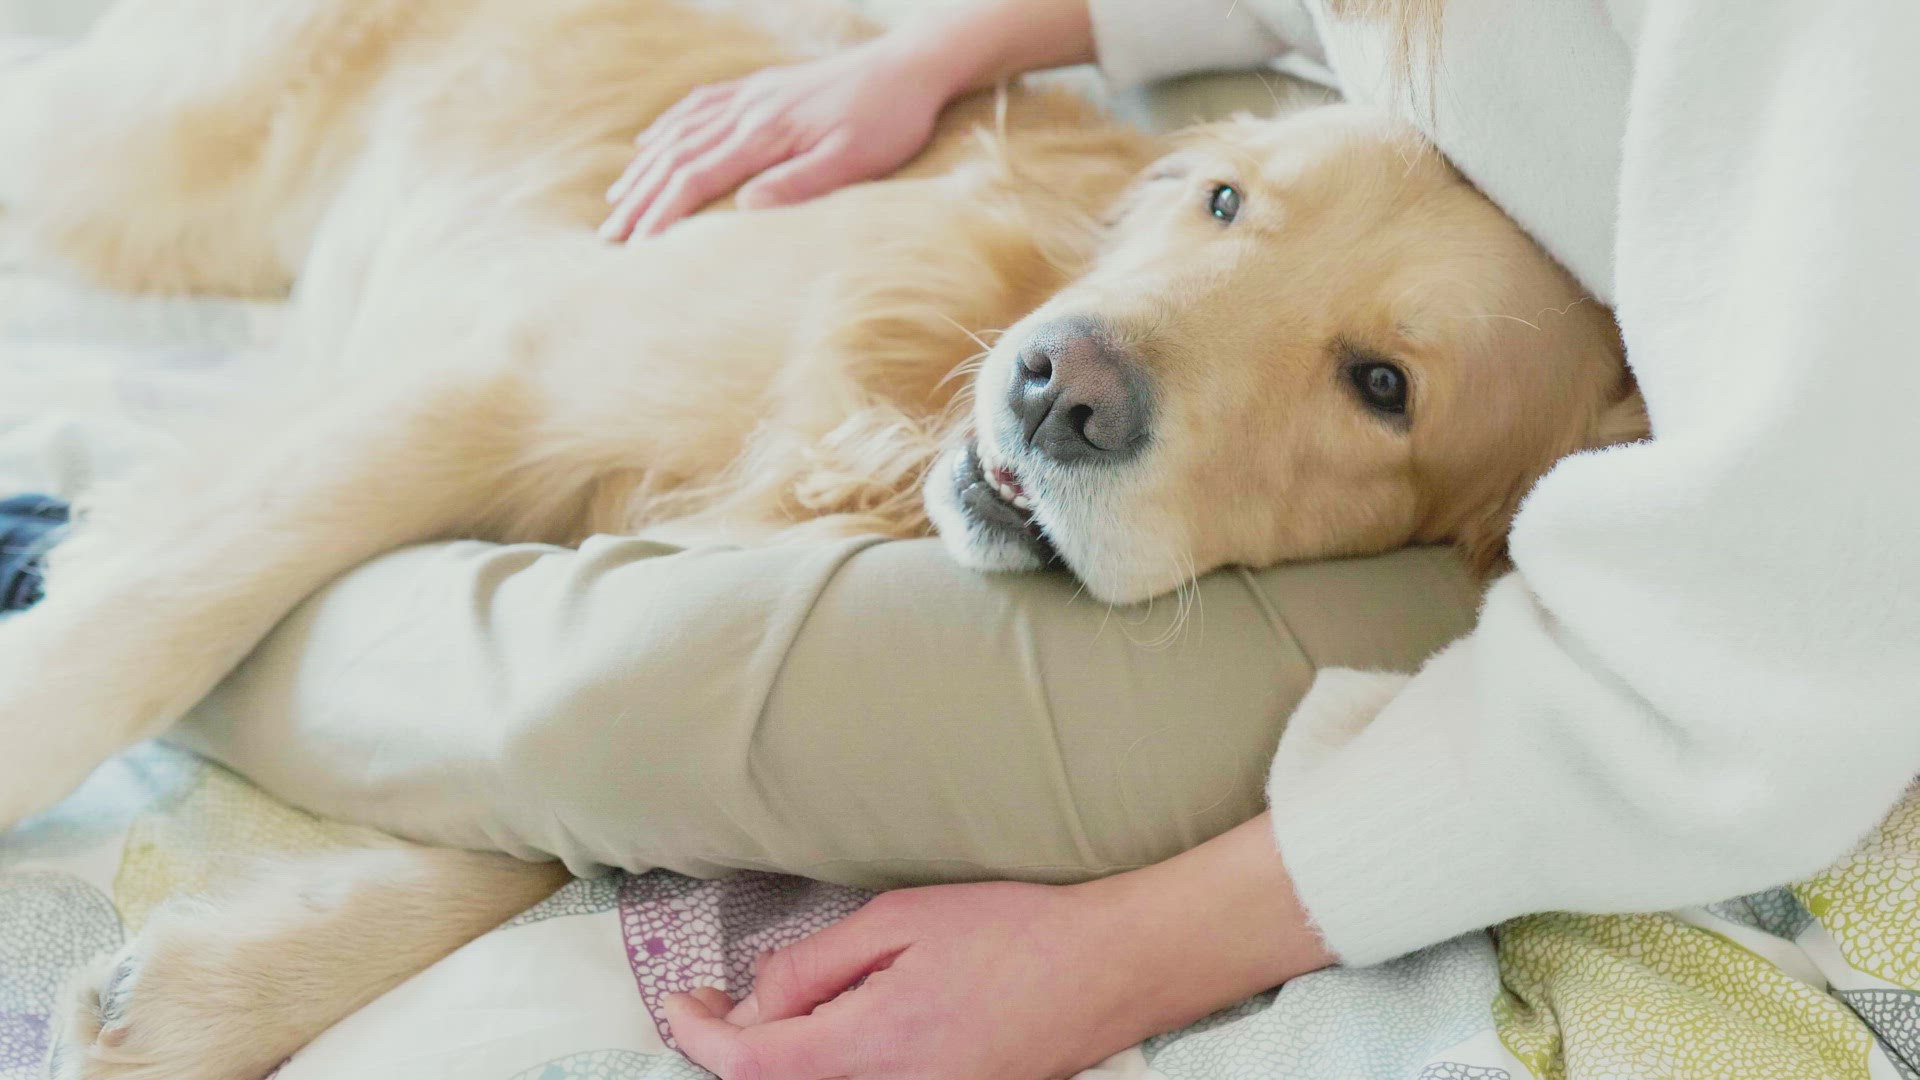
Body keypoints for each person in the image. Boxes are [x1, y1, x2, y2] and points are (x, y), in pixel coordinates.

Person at [13, 0, 1918, 1077]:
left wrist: (1111, 965)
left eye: (1375, 384)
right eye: (1225, 208)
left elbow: (1762, 653)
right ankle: (110, 613)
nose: (1093, 372)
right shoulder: (968, 287)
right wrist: (932, 50)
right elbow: (493, 398)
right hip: (357, 76)